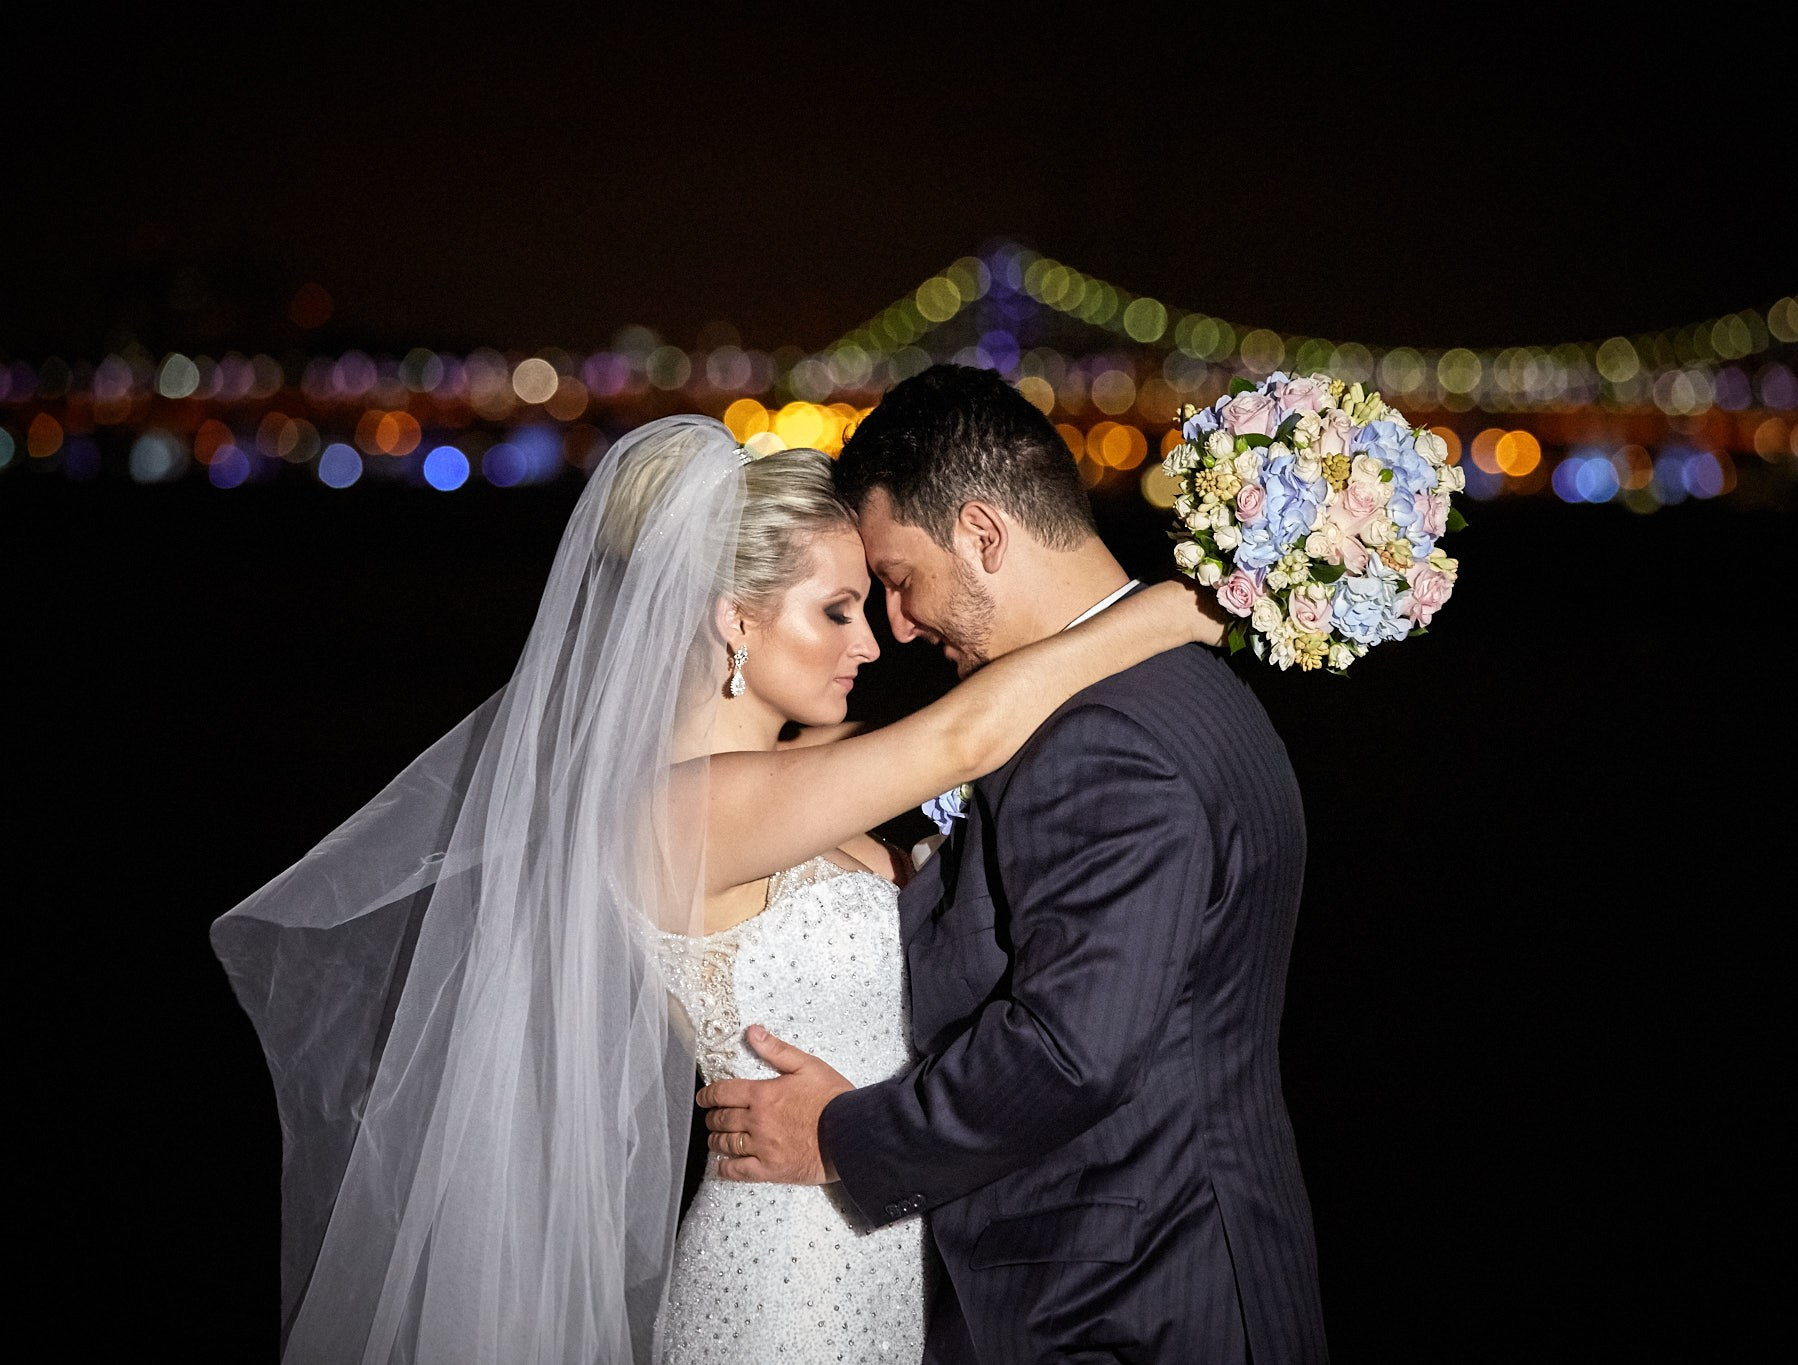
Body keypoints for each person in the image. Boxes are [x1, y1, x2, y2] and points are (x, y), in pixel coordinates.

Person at [212, 413, 1219, 1364]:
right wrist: (1186, 604)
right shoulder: (675, 812)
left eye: (867, 602)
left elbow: (969, 726)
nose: (872, 643)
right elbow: (968, 733)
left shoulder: (807, 777)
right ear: (732, 621)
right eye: (835, 610)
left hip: (893, 1247)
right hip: (784, 1275)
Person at [699, 366, 1329, 1363]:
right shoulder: (1178, 685)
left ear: (983, 536)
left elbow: (1070, 1050)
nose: (895, 627)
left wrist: (839, 1139)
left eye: (899, 581)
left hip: (1122, 1305)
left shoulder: (1103, 739)